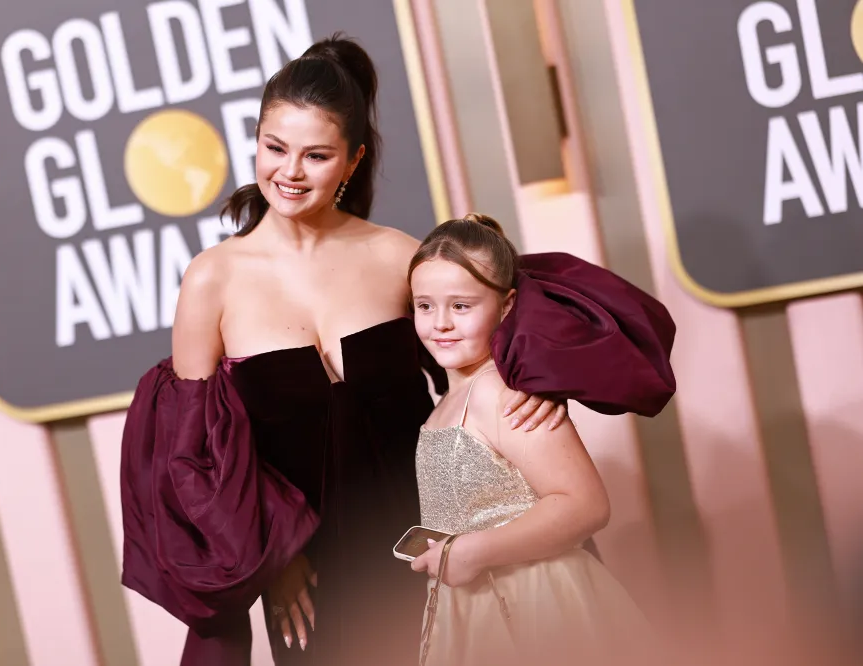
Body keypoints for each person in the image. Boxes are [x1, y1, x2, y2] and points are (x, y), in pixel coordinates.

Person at [119, 35, 571, 666]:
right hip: (310, 572)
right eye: (274, 148)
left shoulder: (397, 256)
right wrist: (271, 564)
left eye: (316, 155)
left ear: (352, 161)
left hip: (440, 538)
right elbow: (191, 456)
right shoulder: (211, 280)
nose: (290, 172)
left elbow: (496, 345)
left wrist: (540, 395)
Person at [407, 214, 674, 666]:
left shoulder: (501, 393)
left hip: (537, 604)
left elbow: (586, 504)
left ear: (507, 305)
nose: (441, 324)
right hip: (473, 606)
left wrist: (474, 550)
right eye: (425, 305)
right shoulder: (447, 402)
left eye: (462, 306)